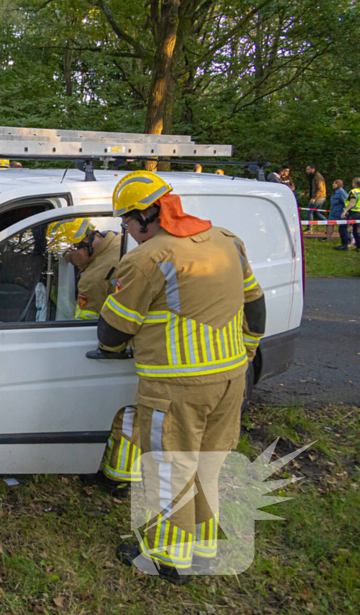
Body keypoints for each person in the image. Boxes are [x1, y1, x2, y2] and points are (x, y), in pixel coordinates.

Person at [94, 170, 266, 582]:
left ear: (146, 216)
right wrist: (246, 353)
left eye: (127, 223)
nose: (127, 232)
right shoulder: (227, 241)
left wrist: (111, 349)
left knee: (169, 466)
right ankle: (204, 547)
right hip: (230, 378)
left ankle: (167, 557)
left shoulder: (148, 258)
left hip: (176, 388)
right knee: (207, 464)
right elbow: (255, 305)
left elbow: (113, 331)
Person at [49, 218, 137, 491]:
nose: (68, 261)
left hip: (121, 349)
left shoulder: (95, 277)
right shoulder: (115, 239)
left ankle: (119, 480)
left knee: (123, 415)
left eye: (67, 255)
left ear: (83, 245)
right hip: (135, 343)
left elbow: (82, 329)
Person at [303, 165, 326, 231]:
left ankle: (309, 228)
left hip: (319, 197)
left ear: (313, 169)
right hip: (321, 197)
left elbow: (320, 188)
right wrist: (305, 193)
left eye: (308, 169)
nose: (307, 171)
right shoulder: (314, 176)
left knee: (309, 211)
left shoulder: (317, 177)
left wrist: (314, 198)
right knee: (317, 212)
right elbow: (312, 187)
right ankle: (328, 224)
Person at [330, 180, 348, 249]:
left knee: (343, 229)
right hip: (335, 213)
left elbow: (347, 202)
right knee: (341, 229)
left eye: (335, 183)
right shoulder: (335, 192)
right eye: (333, 183)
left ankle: (345, 245)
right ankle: (344, 245)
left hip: (341, 213)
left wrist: (345, 212)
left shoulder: (341, 192)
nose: (333, 184)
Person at [344, 178, 360, 252]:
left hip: (353, 212)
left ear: (354, 184)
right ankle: (358, 246)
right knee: (357, 230)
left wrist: (345, 211)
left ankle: (346, 244)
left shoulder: (353, 191)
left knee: (348, 228)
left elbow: (351, 202)